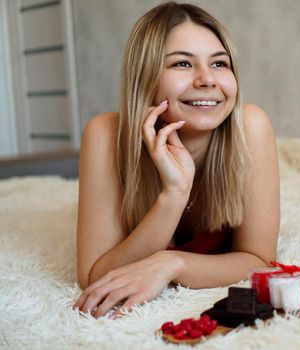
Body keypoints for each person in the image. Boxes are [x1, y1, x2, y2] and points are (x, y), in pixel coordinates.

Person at [73, 1, 280, 319]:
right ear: (146, 78)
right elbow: (94, 277)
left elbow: (259, 261)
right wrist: (173, 194)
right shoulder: (104, 134)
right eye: (183, 64)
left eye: (220, 64)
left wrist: (172, 264)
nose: (207, 80)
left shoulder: (251, 126)